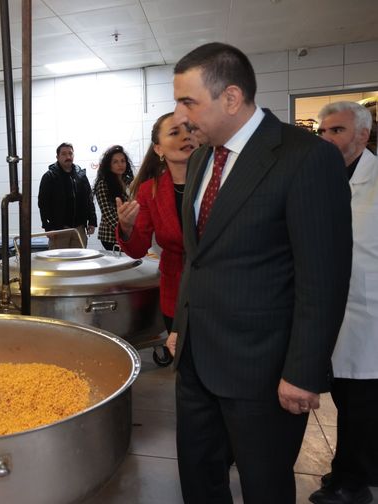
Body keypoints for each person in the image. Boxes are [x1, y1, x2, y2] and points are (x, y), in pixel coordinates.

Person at [168, 43, 352, 504]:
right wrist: (180, 329)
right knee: (199, 478)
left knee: (264, 484)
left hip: (263, 370)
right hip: (196, 361)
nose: (180, 115)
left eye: (189, 101)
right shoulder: (199, 160)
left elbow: (323, 276)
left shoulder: (305, 157)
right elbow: (200, 255)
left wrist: (305, 370)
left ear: (231, 97)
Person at [309, 101, 378, 504]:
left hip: (368, 314)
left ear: (362, 135)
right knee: (347, 399)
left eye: (336, 131)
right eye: (323, 131)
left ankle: (354, 484)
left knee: (362, 404)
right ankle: (348, 471)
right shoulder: (322, 177)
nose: (326, 138)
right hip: (334, 308)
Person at [115, 112, 197, 332]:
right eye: (175, 132)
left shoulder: (219, 183)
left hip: (222, 294)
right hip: (176, 294)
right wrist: (126, 227)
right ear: (159, 149)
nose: (186, 136)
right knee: (183, 363)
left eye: (190, 130)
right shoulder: (149, 190)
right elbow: (138, 248)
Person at [38, 142, 97, 249]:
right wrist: (47, 227)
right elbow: (43, 203)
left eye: (70, 153)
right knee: (58, 262)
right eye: (64, 154)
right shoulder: (50, 176)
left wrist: (92, 221)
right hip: (59, 228)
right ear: (57, 157)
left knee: (79, 262)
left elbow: (89, 199)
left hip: (79, 228)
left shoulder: (81, 175)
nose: (68, 157)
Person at [93, 145, 134, 251]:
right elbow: (108, 214)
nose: (120, 164)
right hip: (111, 235)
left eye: (122, 161)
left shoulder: (128, 181)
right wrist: (127, 231)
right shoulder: (103, 184)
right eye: (115, 162)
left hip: (129, 232)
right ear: (109, 165)